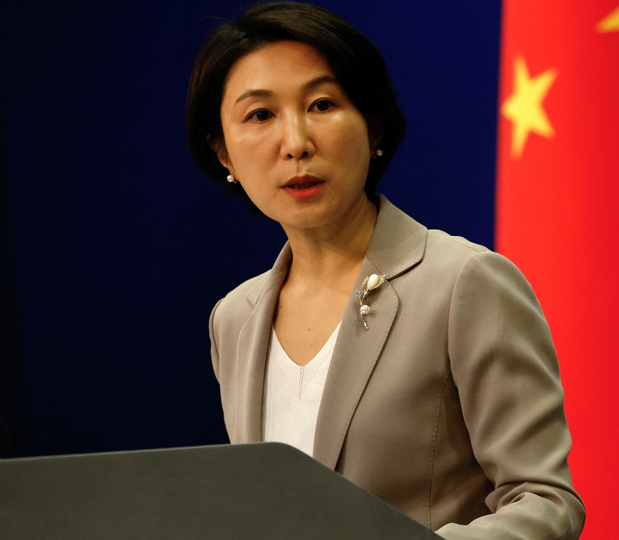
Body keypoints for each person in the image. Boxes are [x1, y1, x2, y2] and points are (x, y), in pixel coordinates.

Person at [186, 3, 585, 538]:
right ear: (224, 155)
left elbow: (545, 501)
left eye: (322, 104)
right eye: (260, 115)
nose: (296, 142)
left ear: (373, 128)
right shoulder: (234, 318)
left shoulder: (464, 282)